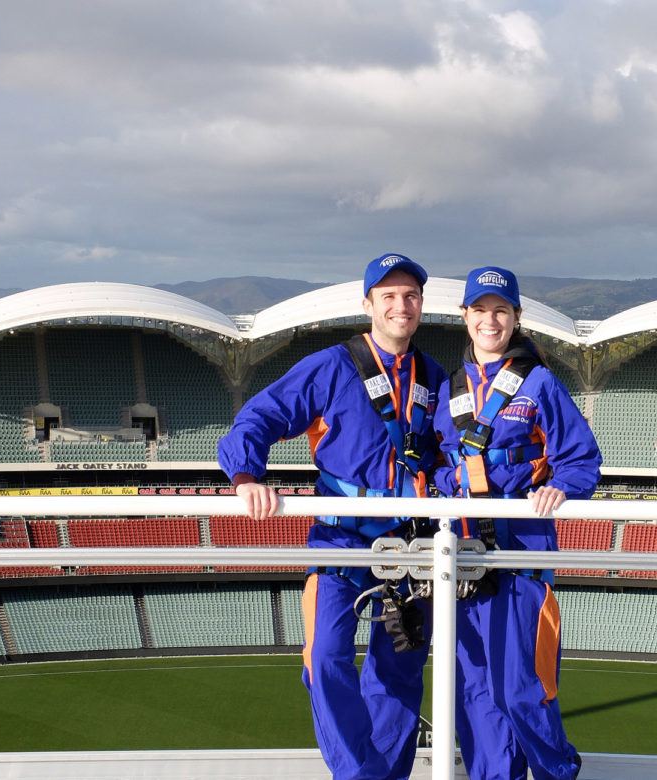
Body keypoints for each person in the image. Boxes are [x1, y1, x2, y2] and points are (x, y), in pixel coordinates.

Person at [217, 253, 447, 780]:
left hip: (411, 545)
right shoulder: (332, 366)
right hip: (340, 540)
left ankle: (387, 775)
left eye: (410, 295)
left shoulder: (433, 376)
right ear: (368, 304)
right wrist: (247, 476)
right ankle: (357, 774)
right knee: (324, 661)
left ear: (421, 306)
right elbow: (261, 415)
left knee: (400, 669)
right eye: (388, 296)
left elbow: (451, 453)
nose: (400, 305)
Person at [434, 266, 600, 780]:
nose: (490, 320)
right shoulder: (449, 390)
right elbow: (438, 465)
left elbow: (581, 458)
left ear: (516, 317)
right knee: (477, 695)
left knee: (523, 688)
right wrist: (454, 480)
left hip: (523, 556)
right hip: (464, 562)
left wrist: (561, 486)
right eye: (480, 310)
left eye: (500, 311)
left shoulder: (539, 383)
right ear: (465, 317)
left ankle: (555, 773)